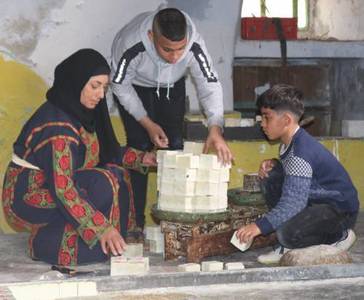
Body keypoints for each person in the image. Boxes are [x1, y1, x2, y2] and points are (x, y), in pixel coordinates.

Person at [1, 49, 156, 266]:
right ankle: (42, 243)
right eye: (95, 86)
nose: (101, 95)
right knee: (103, 183)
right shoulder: (58, 127)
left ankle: (114, 237)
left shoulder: (82, 112)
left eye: (105, 87)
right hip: (28, 196)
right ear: (77, 81)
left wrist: (143, 159)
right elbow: (63, 188)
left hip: (57, 185)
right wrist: (100, 228)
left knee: (115, 173)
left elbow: (105, 152)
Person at [110, 8, 233, 234]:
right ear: (151, 36)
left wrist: (215, 127)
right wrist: (147, 123)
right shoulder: (131, 44)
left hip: (171, 86)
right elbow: (119, 86)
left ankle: (173, 224)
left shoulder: (194, 43)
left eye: (180, 49)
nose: (175, 56)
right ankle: (135, 224)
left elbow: (209, 84)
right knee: (140, 150)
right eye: (167, 49)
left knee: (174, 148)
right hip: (134, 87)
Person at [236, 84, 359, 265]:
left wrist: (259, 226)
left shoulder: (301, 152)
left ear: (286, 120)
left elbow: (294, 202)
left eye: (266, 117)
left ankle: (339, 236)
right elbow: (296, 178)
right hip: (316, 201)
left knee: (287, 234)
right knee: (270, 175)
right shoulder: (289, 142)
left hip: (339, 210)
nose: (262, 123)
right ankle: (290, 243)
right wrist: (275, 165)